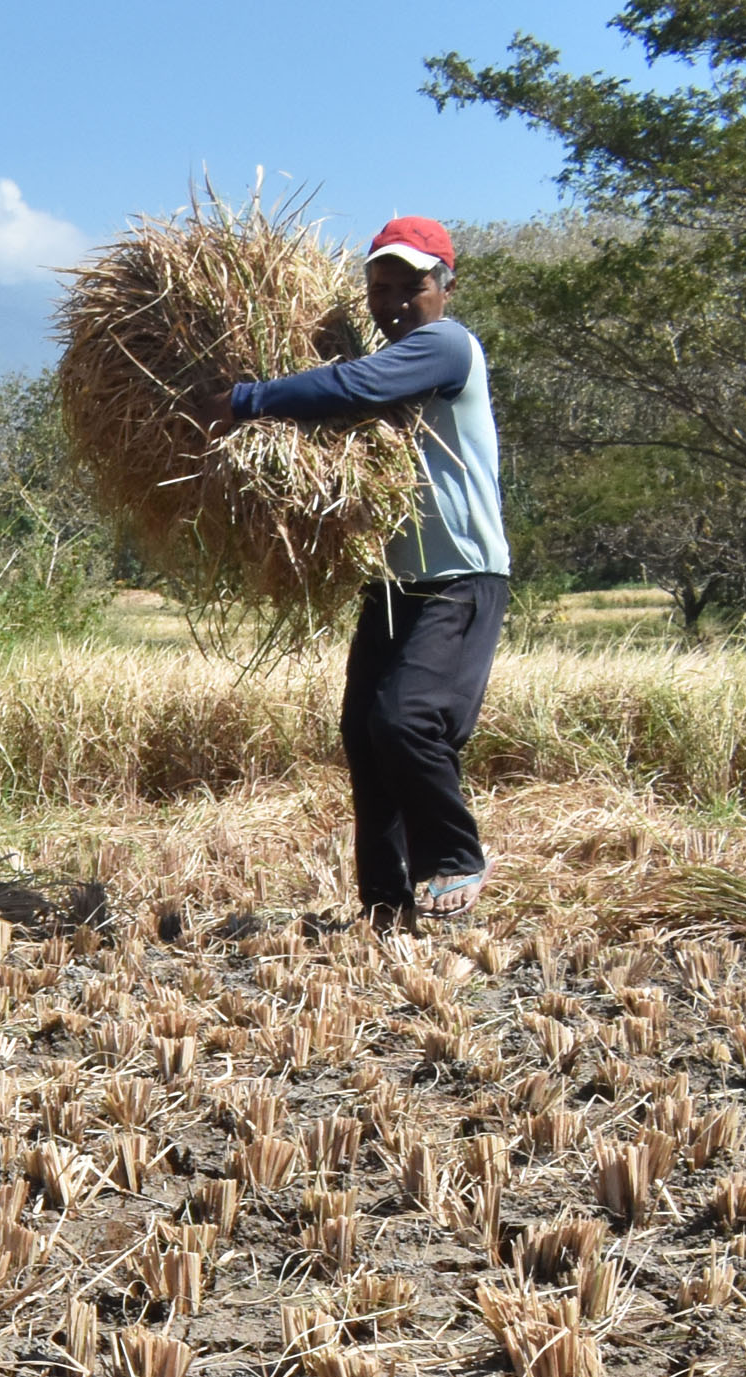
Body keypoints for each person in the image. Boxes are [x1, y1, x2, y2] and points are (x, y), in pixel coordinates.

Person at [210, 217, 510, 932]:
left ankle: (455, 856)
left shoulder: (445, 345)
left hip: (460, 577)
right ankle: (386, 907)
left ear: (445, 286)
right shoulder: (403, 361)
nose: (396, 301)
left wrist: (245, 400)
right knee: (365, 734)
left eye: (413, 285)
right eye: (381, 288)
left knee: (405, 719)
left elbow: (352, 384)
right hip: (395, 583)